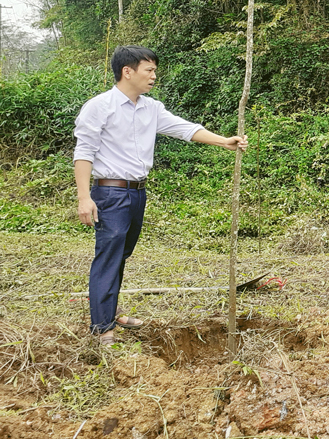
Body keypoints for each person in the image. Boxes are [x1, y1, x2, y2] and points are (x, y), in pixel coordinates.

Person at [74, 46, 248, 345]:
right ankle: (102, 328)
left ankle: (110, 312)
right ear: (127, 71)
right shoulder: (99, 106)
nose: (154, 76)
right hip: (110, 192)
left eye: (155, 70)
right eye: (149, 70)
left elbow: (184, 129)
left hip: (137, 193)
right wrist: (83, 197)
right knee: (109, 257)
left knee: (120, 255)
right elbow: (84, 151)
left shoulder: (151, 108)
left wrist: (224, 142)